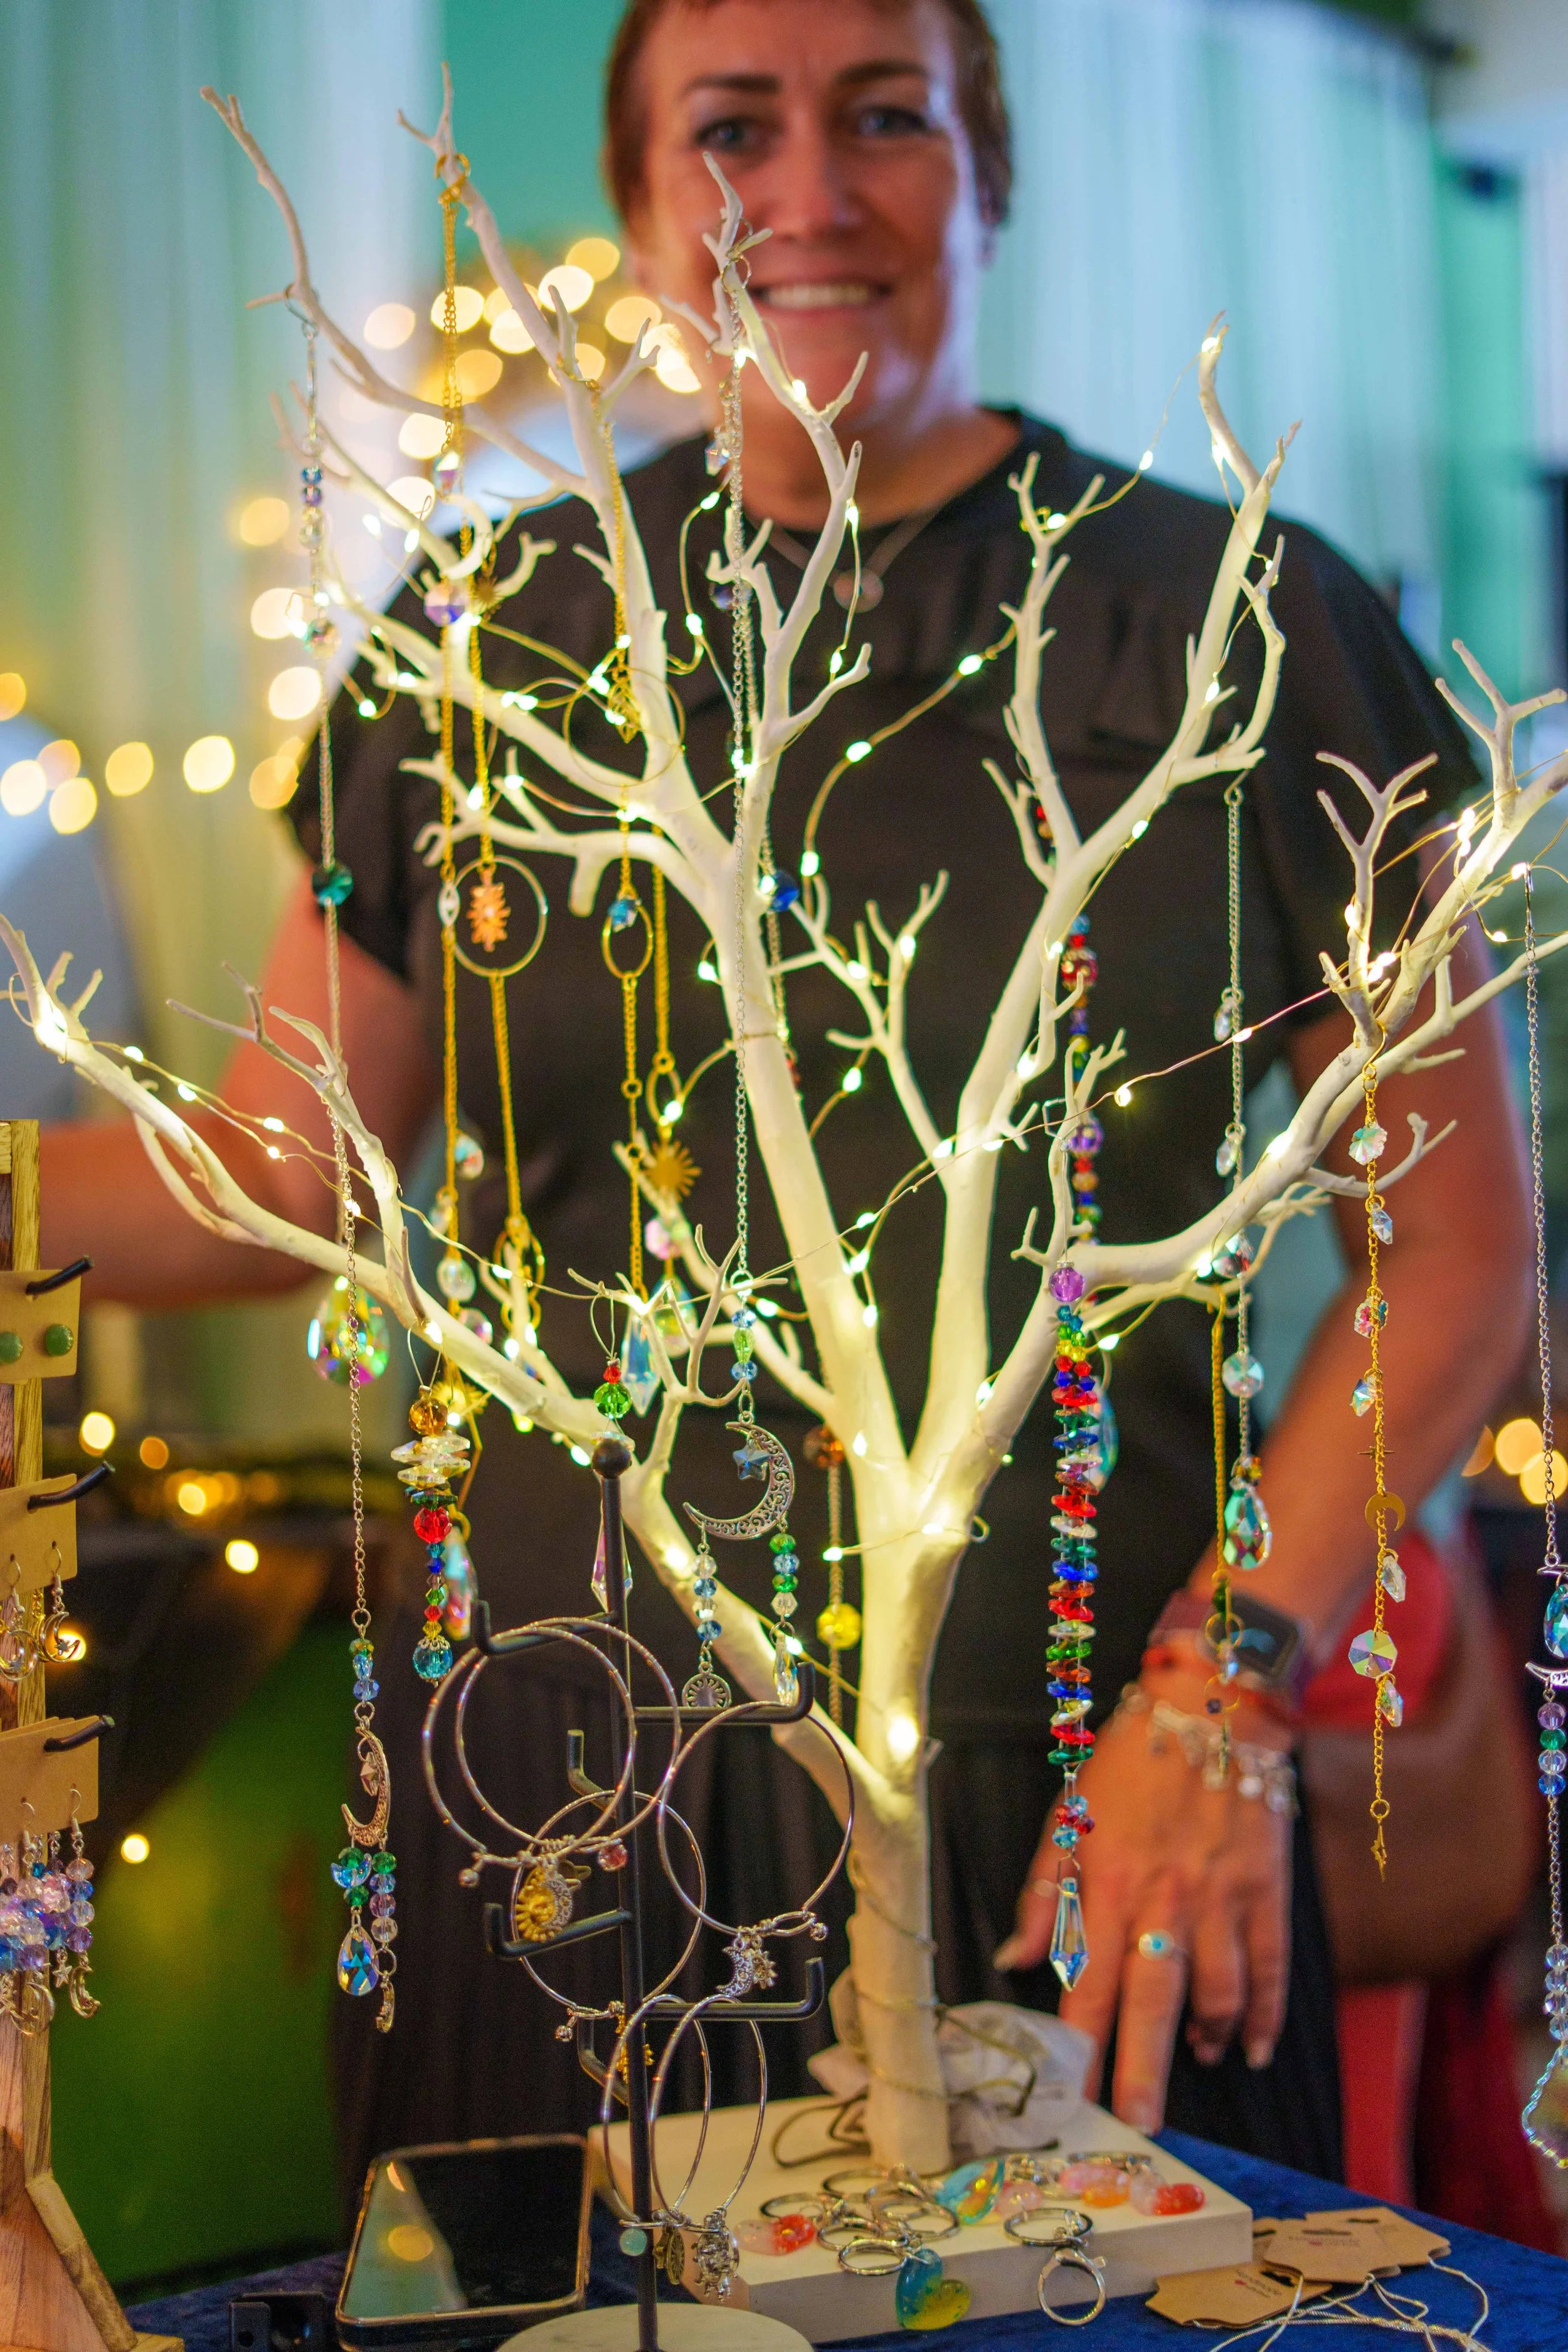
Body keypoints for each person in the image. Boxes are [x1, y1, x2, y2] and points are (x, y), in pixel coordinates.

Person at [41, 0, 1529, 2196]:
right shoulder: (497, 644)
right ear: (647, 210)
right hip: (559, 1792)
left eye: (885, 119)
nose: (811, 196)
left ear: (986, 177)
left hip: (1085, 1801)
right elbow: (282, 1172)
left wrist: (1228, 1686)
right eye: (732, 130)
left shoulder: (1235, 632)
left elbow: (1461, 1254)